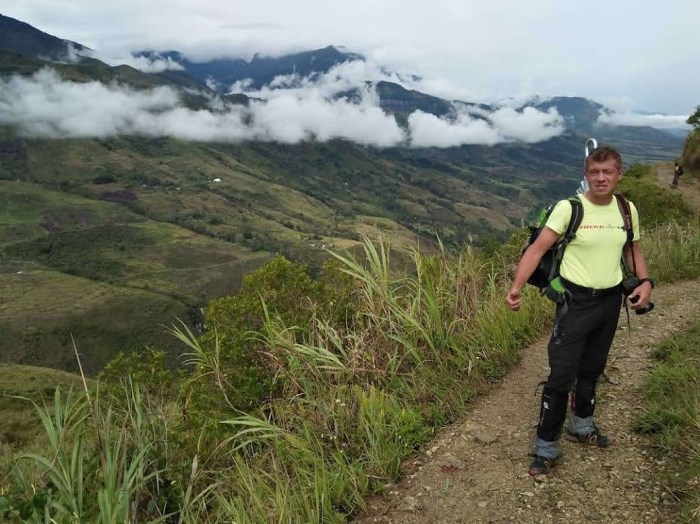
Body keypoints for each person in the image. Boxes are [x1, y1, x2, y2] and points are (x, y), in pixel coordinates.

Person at [505, 146, 654, 476]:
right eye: (594, 172)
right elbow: (536, 250)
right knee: (561, 374)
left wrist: (645, 281)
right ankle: (546, 446)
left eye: (608, 172)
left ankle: (582, 425)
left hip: (610, 302)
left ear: (619, 175)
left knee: (592, 367)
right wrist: (516, 288)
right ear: (586, 175)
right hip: (575, 303)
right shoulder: (569, 209)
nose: (601, 178)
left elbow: (632, 250)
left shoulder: (627, 209)